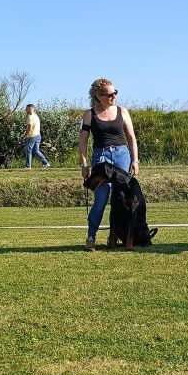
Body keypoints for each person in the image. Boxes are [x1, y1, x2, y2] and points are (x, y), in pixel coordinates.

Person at [79, 78, 139, 252]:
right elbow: (83, 142)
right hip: (101, 157)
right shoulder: (89, 114)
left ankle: (121, 237)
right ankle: (91, 237)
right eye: (110, 94)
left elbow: (131, 138)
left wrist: (135, 160)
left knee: (124, 199)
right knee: (102, 198)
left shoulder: (123, 112)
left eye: (115, 93)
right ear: (98, 96)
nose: (114, 97)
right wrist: (83, 164)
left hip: (122, 155)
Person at [23, 104, 51, 169]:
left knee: (28, 150)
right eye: (27, 109)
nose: (27, 110)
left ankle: (28, 166)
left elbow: (29, 129)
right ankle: (46, 164)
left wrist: (24, 136)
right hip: (38, 135)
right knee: (36, 151)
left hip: (32, 136)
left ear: (33, 109)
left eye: (29, 109)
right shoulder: (36, 116)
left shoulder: (30, 117)